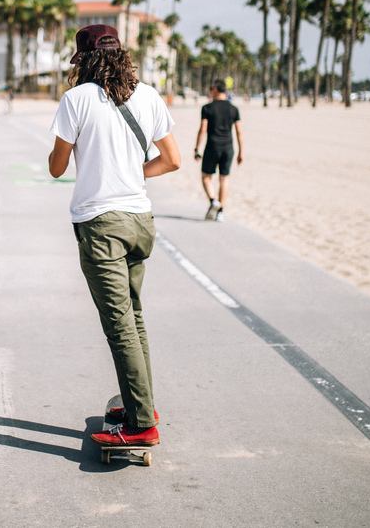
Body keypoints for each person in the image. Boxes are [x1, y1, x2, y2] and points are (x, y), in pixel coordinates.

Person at [48, 24, 180, 451]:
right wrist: (130, 173)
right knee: (134, 317)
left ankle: (142, 424)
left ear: (82, 58)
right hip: (140, 220)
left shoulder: (76, 100)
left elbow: (56, 166)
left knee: (119, 325)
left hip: (101, 224)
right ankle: (140, 404)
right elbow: (172, 160)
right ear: (122, 54)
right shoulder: (147, 95)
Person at [193, 80, 243, 222]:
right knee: (224, 179)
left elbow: (202, 129)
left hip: (212, 147)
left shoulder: (207, 108)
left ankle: (213, 201)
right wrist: (241, 152)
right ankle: (220, 212)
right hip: (228, 148)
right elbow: (239, 132)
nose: (210, 91)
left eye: (210, 88)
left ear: (215, 89)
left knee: (206, 177)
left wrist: (197, 148)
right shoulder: (234, 109)